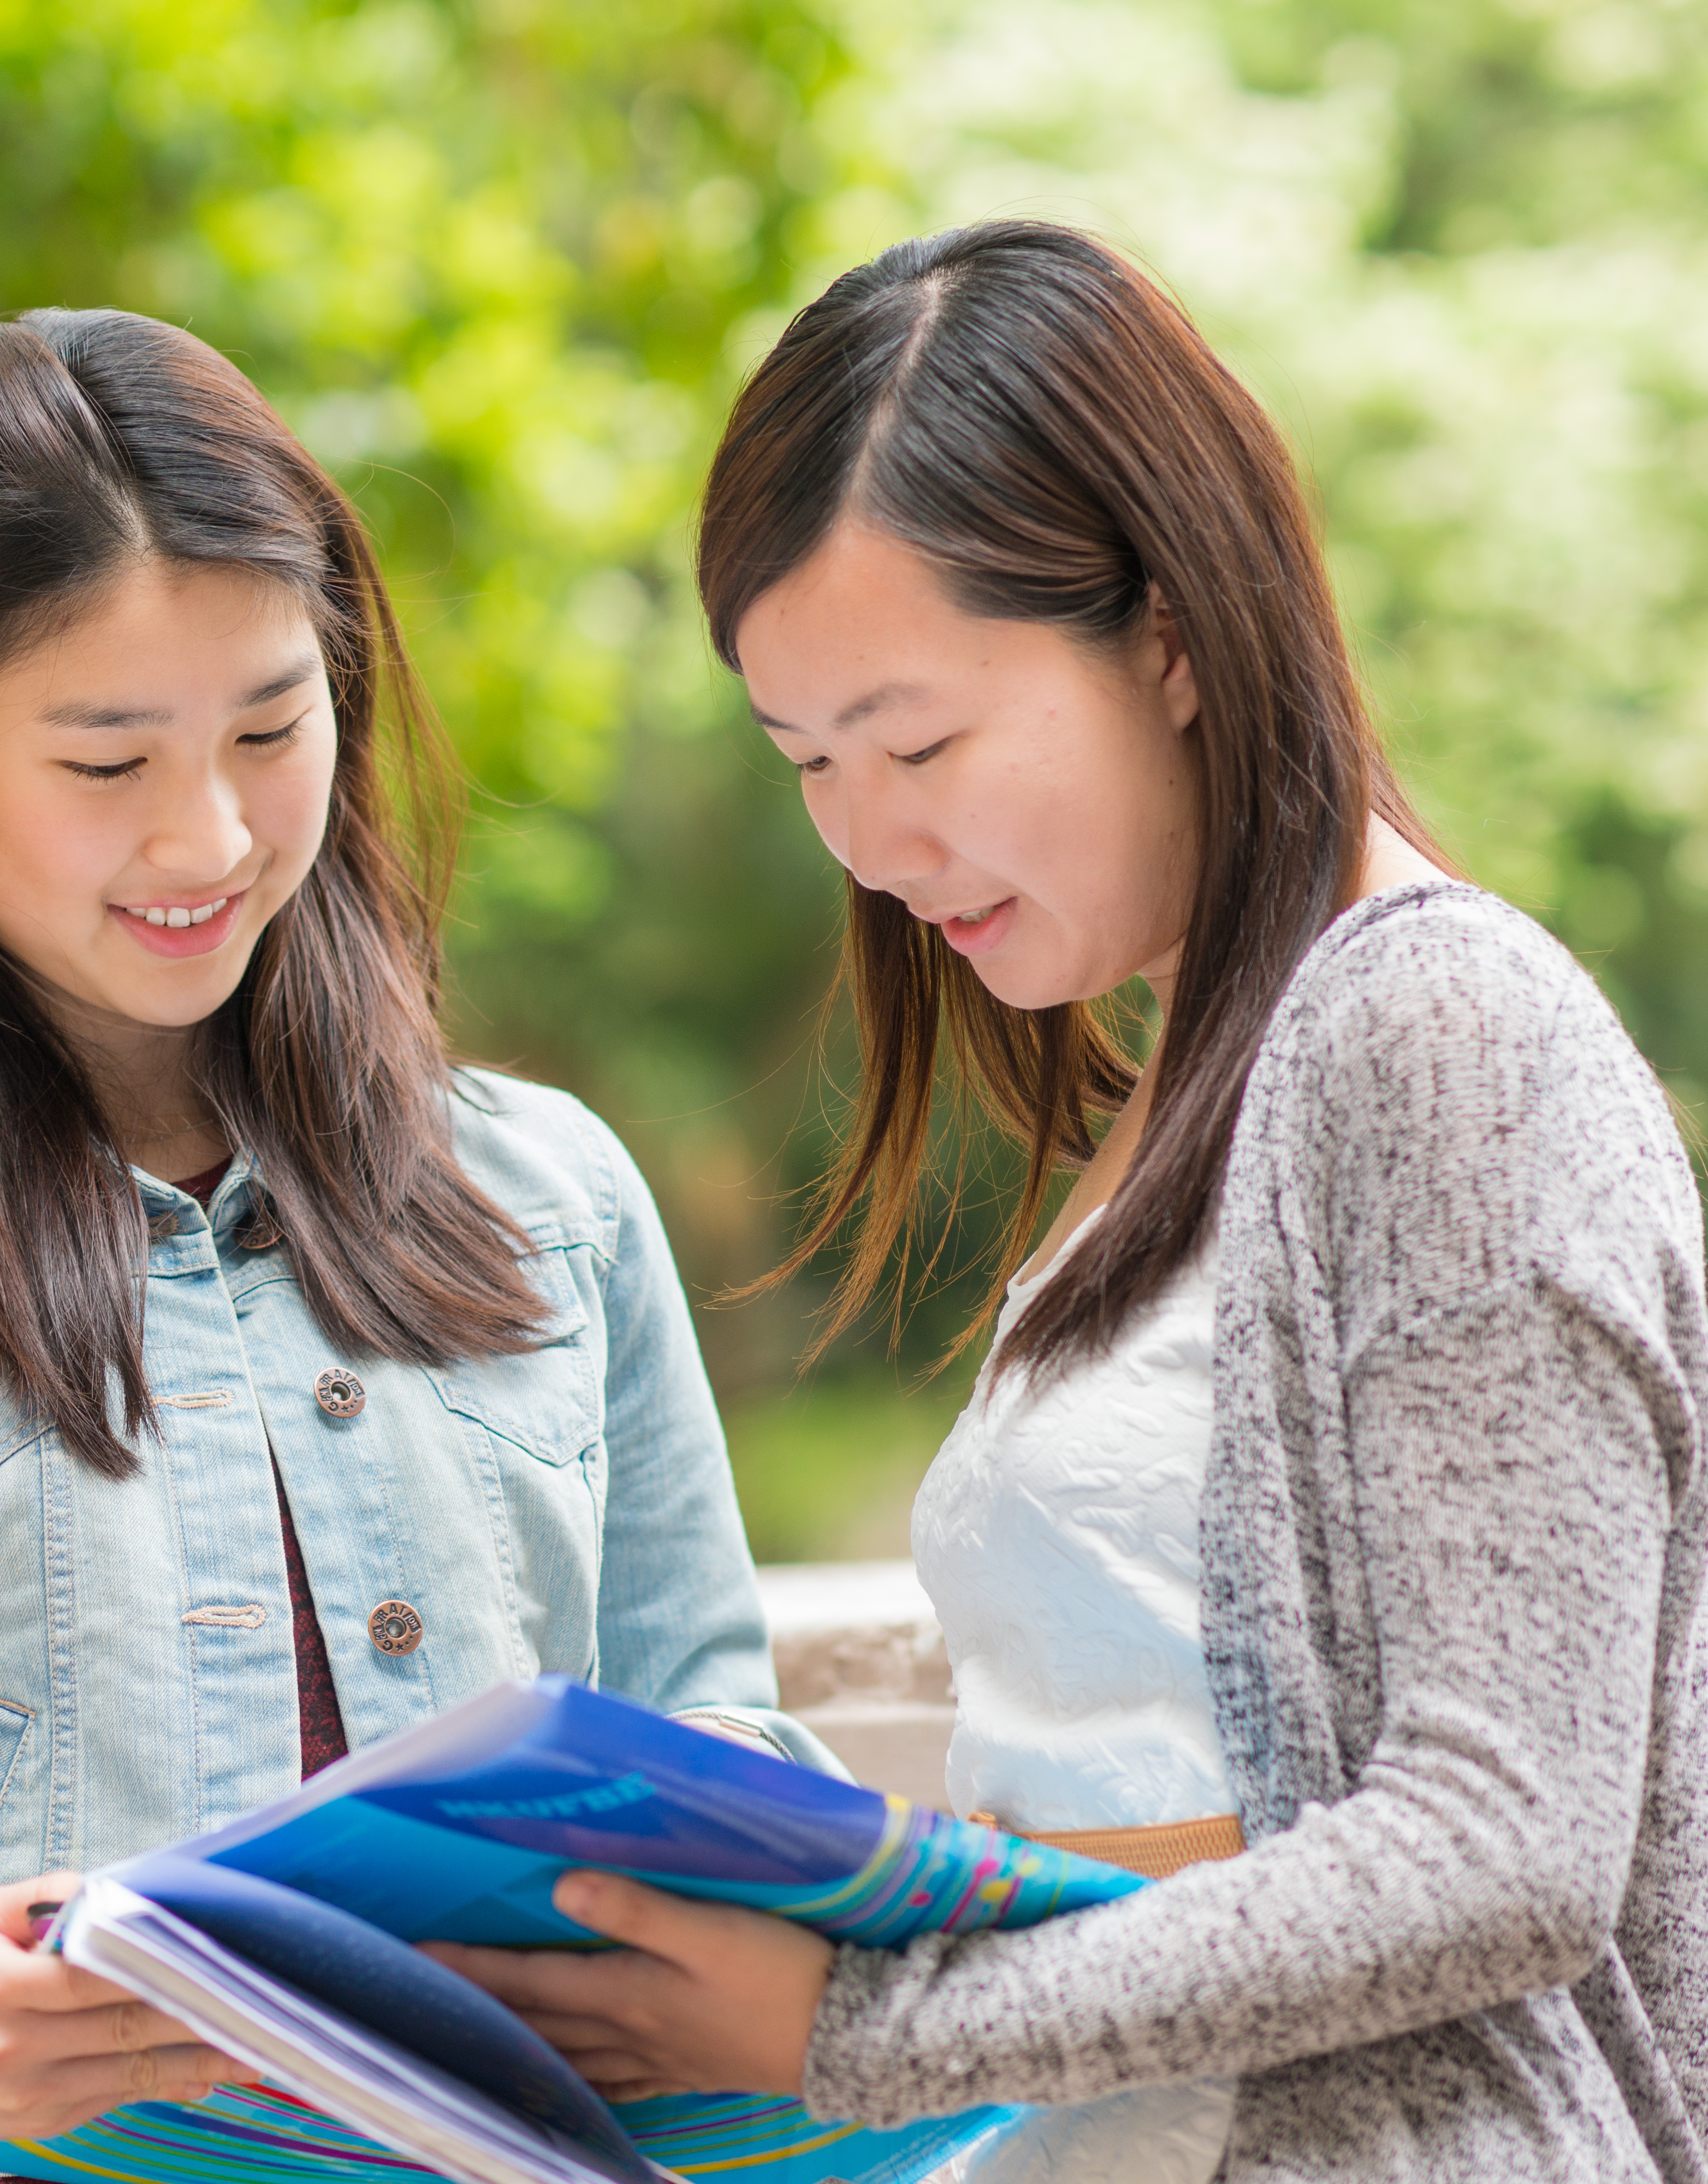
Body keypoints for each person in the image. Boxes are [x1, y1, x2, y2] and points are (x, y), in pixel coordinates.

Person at [0, 307, 828, 2183]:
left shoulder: (554, 1198)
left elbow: (712, 1754)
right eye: (106, 765)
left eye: (274, 727)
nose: (210, 836)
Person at [430, 221, 1708, 2181]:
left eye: (922, 741)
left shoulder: (1445, 1035)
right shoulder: (1198, 1087)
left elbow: (1505, 1842)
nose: (871, 839)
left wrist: (866, 2025)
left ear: (1174, 635)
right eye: (809, 764)